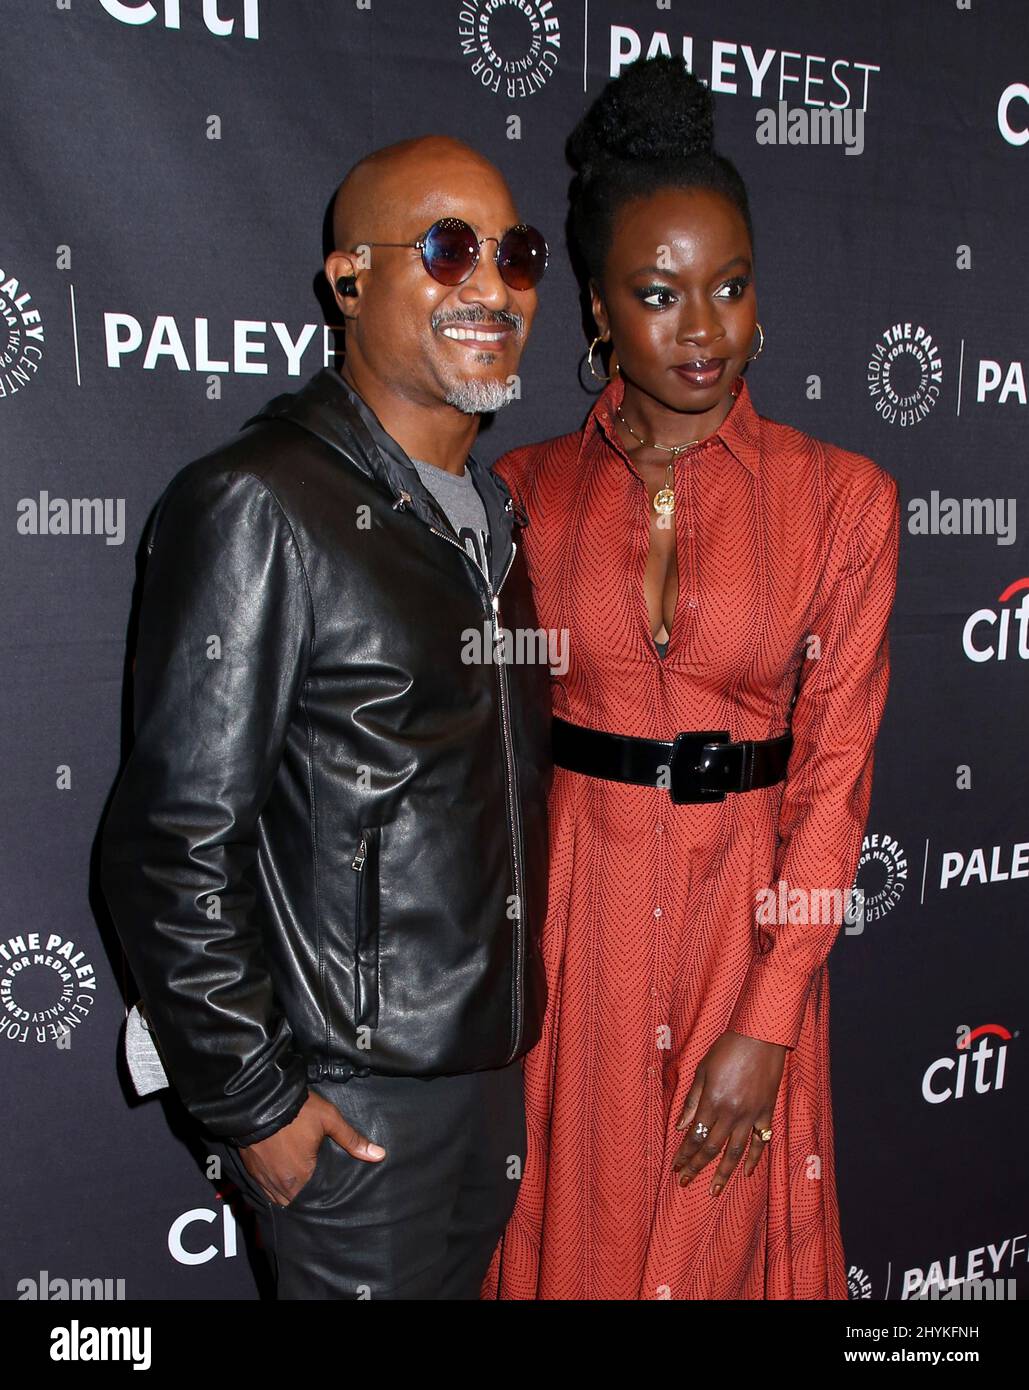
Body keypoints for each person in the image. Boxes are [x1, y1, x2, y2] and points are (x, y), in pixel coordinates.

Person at [100, 134, 553, 1300]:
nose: (492, 286)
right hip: (348, 1109)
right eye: (448, 249)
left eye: (518, 254)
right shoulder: (257, 503)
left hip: (486, 1077)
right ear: (349, 279)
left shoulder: (494, 521)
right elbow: (169, 840)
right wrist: (256, 1102)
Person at [482, 57, 901, 1300]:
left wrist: (770, 1016)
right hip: (582, 942)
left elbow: (835, 785)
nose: (705, 327)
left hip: (749, 924)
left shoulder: (844, 502)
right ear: (600, 313)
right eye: (659, 294)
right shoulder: (521, 498)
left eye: (730, 286)